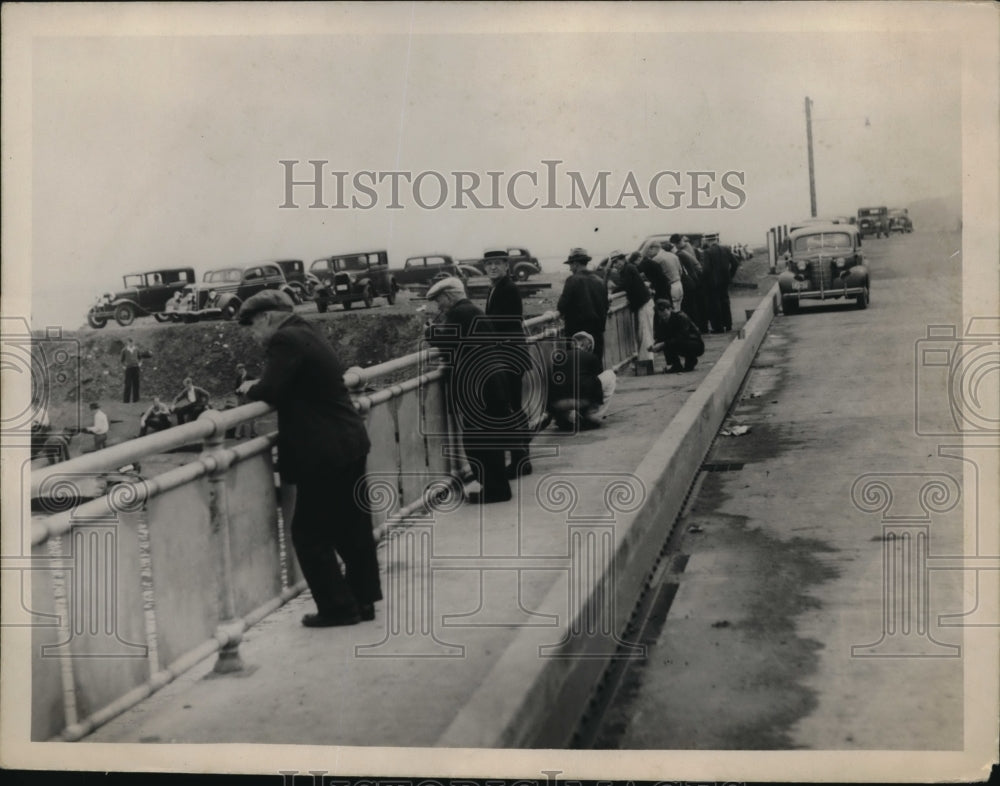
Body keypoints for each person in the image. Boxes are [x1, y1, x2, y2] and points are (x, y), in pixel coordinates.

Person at [237, 289, 382, 628]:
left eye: (253, 326)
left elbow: (271, 389)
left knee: (308, 533)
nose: (254, 335)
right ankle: (363, 601)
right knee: (352, 526)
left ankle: (338, 608)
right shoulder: (307, 331)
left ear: (269, 317)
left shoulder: (284, 339)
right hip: (348, 440)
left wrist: (249, 388)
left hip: (323, 451)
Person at [424, 276, 512, 504]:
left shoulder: (459, 313)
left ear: (448, 296)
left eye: (439, 300)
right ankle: (495, 486)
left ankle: (496, 490)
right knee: (486, 436)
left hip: (479, 385)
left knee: (479, 439)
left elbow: (449, 343)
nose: (438, 305)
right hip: (491, 381)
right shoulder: (472, 311)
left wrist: (430, 333)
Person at [482, 249, 532, 478]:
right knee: (514, 407)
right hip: (509, 353)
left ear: (506, 266)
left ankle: (520, 461)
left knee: (512, 408)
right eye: (489, 264)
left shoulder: (508, 288)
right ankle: (521, 460)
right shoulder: (496, 288)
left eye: (497, 264)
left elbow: (502, 321)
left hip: (509, 355)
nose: (492, 268)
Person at [557, 247, 609, 370]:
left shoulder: (572, 280)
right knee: (596, 367)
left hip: (577, 334)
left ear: (575, 264)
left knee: (578, 369)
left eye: (570, 265)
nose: (570, 268)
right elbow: (606, 306)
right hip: (597, 333)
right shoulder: (599, 281)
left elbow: (561, 306)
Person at [546, 331, 608, 431]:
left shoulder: (559, 357)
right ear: (587, 346)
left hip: (557, 404)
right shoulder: (591, 357)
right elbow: (595, 381)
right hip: (581, 401)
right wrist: (596, 402)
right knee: (609, 375)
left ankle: (565, 418)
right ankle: (593, 415)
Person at [610, 250, 655, 375]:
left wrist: (612, 292)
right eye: (613, 263)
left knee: (645, 335)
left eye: (616, 262)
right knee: (644, 335)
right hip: (644, 304)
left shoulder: (628, 269)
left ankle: (646, 365)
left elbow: (625, 285)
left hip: (644, 305)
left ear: (623, 259)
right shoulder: (629, 268)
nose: (615, 265)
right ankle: (645, 363)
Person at [652, 299, 705, 373]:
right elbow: (660, 337)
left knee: (668, 343)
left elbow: (683, 336)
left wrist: (663, 344)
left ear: (670, 309)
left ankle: (691, 358)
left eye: (665, 315)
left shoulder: (680, 317)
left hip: (694, 343)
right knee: (666, 343)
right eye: (661, 316)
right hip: (681, 341)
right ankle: (676, 365)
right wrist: (654, 346)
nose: (664, 318)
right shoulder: (661, 321)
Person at [670, 234, 708, 333]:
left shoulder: (681, 253)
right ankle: (702, 327)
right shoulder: (689, 247)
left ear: (676, 243)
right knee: (699, 305)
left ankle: (697, 328)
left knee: (693, 306)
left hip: (693, 279)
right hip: (697, 278)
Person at [703, 242, 740, 333]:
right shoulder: (726, 249)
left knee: (715, 304)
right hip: (725, 281)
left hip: (712, 283)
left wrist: (705, 280)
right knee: (725, 301)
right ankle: (728, 325)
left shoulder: (707, 252)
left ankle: (718, 328)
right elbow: (735, 263)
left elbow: (706, 269)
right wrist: (730, 275)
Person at [643, 241, 683, 311]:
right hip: (679, 284)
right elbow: (680, 271)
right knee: (678, 309)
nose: (649, 254)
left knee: (670, 312)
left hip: (670, 287)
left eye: (648, 251)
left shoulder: (656, 259)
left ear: (652, 248)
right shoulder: (672, 255)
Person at [120, 337, 143, 403]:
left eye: (132, 342)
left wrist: (140, 364)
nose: (131, 343)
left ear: (133, 342)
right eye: (130, 342)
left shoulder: (137, 349)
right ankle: (126, 401)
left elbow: (140, 358)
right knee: (128, 384)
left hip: (136, 368)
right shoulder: (124, 350)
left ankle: (136, 400)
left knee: (136, 384)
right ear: (127, 342)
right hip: (128, 369)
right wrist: (124, 367)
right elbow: (121, 360)